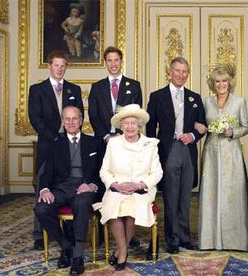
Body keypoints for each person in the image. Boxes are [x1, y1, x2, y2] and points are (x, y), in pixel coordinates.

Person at [195, 63, 248, 251]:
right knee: (211, 193)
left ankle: (236, 240)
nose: (221, 84)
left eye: (224, 81)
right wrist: (201, 128)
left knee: (234, 193)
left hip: (232, 153)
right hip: (212, 153)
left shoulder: (239, 101)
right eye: (217, 81)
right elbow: (200, 124)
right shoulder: (206, 102)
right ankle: (210, 240)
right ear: (212, 84)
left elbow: (245, 127)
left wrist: (233, 132)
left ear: (230, 82)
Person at [146, 57, 206, 254]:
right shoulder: (157, 96)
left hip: (187, 150)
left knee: (186, 196)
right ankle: (172, 239)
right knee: (171, 196)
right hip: (168, 149)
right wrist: (152, 152)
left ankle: (185, 237)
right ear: (169, 72)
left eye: (185, 72)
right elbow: (149, 128)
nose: (181, 75)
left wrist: (193, 135)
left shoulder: (194, 97)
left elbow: (202, 125)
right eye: (177, 71)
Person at [34, 106, 103, 275]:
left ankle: (78, 256)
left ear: (81, 121)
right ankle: (65, 246)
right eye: (67, 119)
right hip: (62, 188)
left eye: (74, 119)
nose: (71, 122)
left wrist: (91, 186)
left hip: (84, 187)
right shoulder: (55, 144)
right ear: (63, 122)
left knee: (81, 203)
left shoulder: (95, 142)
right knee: (41, 208)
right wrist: (44, 190)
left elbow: (102, 172)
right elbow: (46, 172)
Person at [93, 104, 163, 271]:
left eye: (133, 123)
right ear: (121, 126)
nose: (130, 126)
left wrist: (141, 184)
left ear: (139, 125)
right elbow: (104, 171)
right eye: (126, 123)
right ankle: (123, 250)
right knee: (114, 211)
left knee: (131, 211)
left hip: (141, 189)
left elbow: (157, 172)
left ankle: (120, 251)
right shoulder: (113, 144)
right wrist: (115, 184)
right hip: (118, 187)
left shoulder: (150, 144)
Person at [29, 50, 84, 250]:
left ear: (66, 67)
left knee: (68, 183)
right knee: (43, 187)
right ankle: (39, 234)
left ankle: (69, 229)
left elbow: (79, 115)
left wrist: (69, 137)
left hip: (69, 143)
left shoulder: (74, 89)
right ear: (49, 66)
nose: (59, 69)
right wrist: (54, 138)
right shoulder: (37, 90)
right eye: (56, 65)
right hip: (48, 145)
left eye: (63, 66)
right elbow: (35, 118)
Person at [88, 46, 143, 143]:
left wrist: (121, 134)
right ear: (106, 63)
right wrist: (106, 136)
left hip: (127, 139)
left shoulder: (134, 86)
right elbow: (93, 115)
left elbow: (136, 114)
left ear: (121, 61)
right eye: (110, 60)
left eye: (116, 60)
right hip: (103, 141)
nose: (113, 64)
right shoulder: (96, 87)